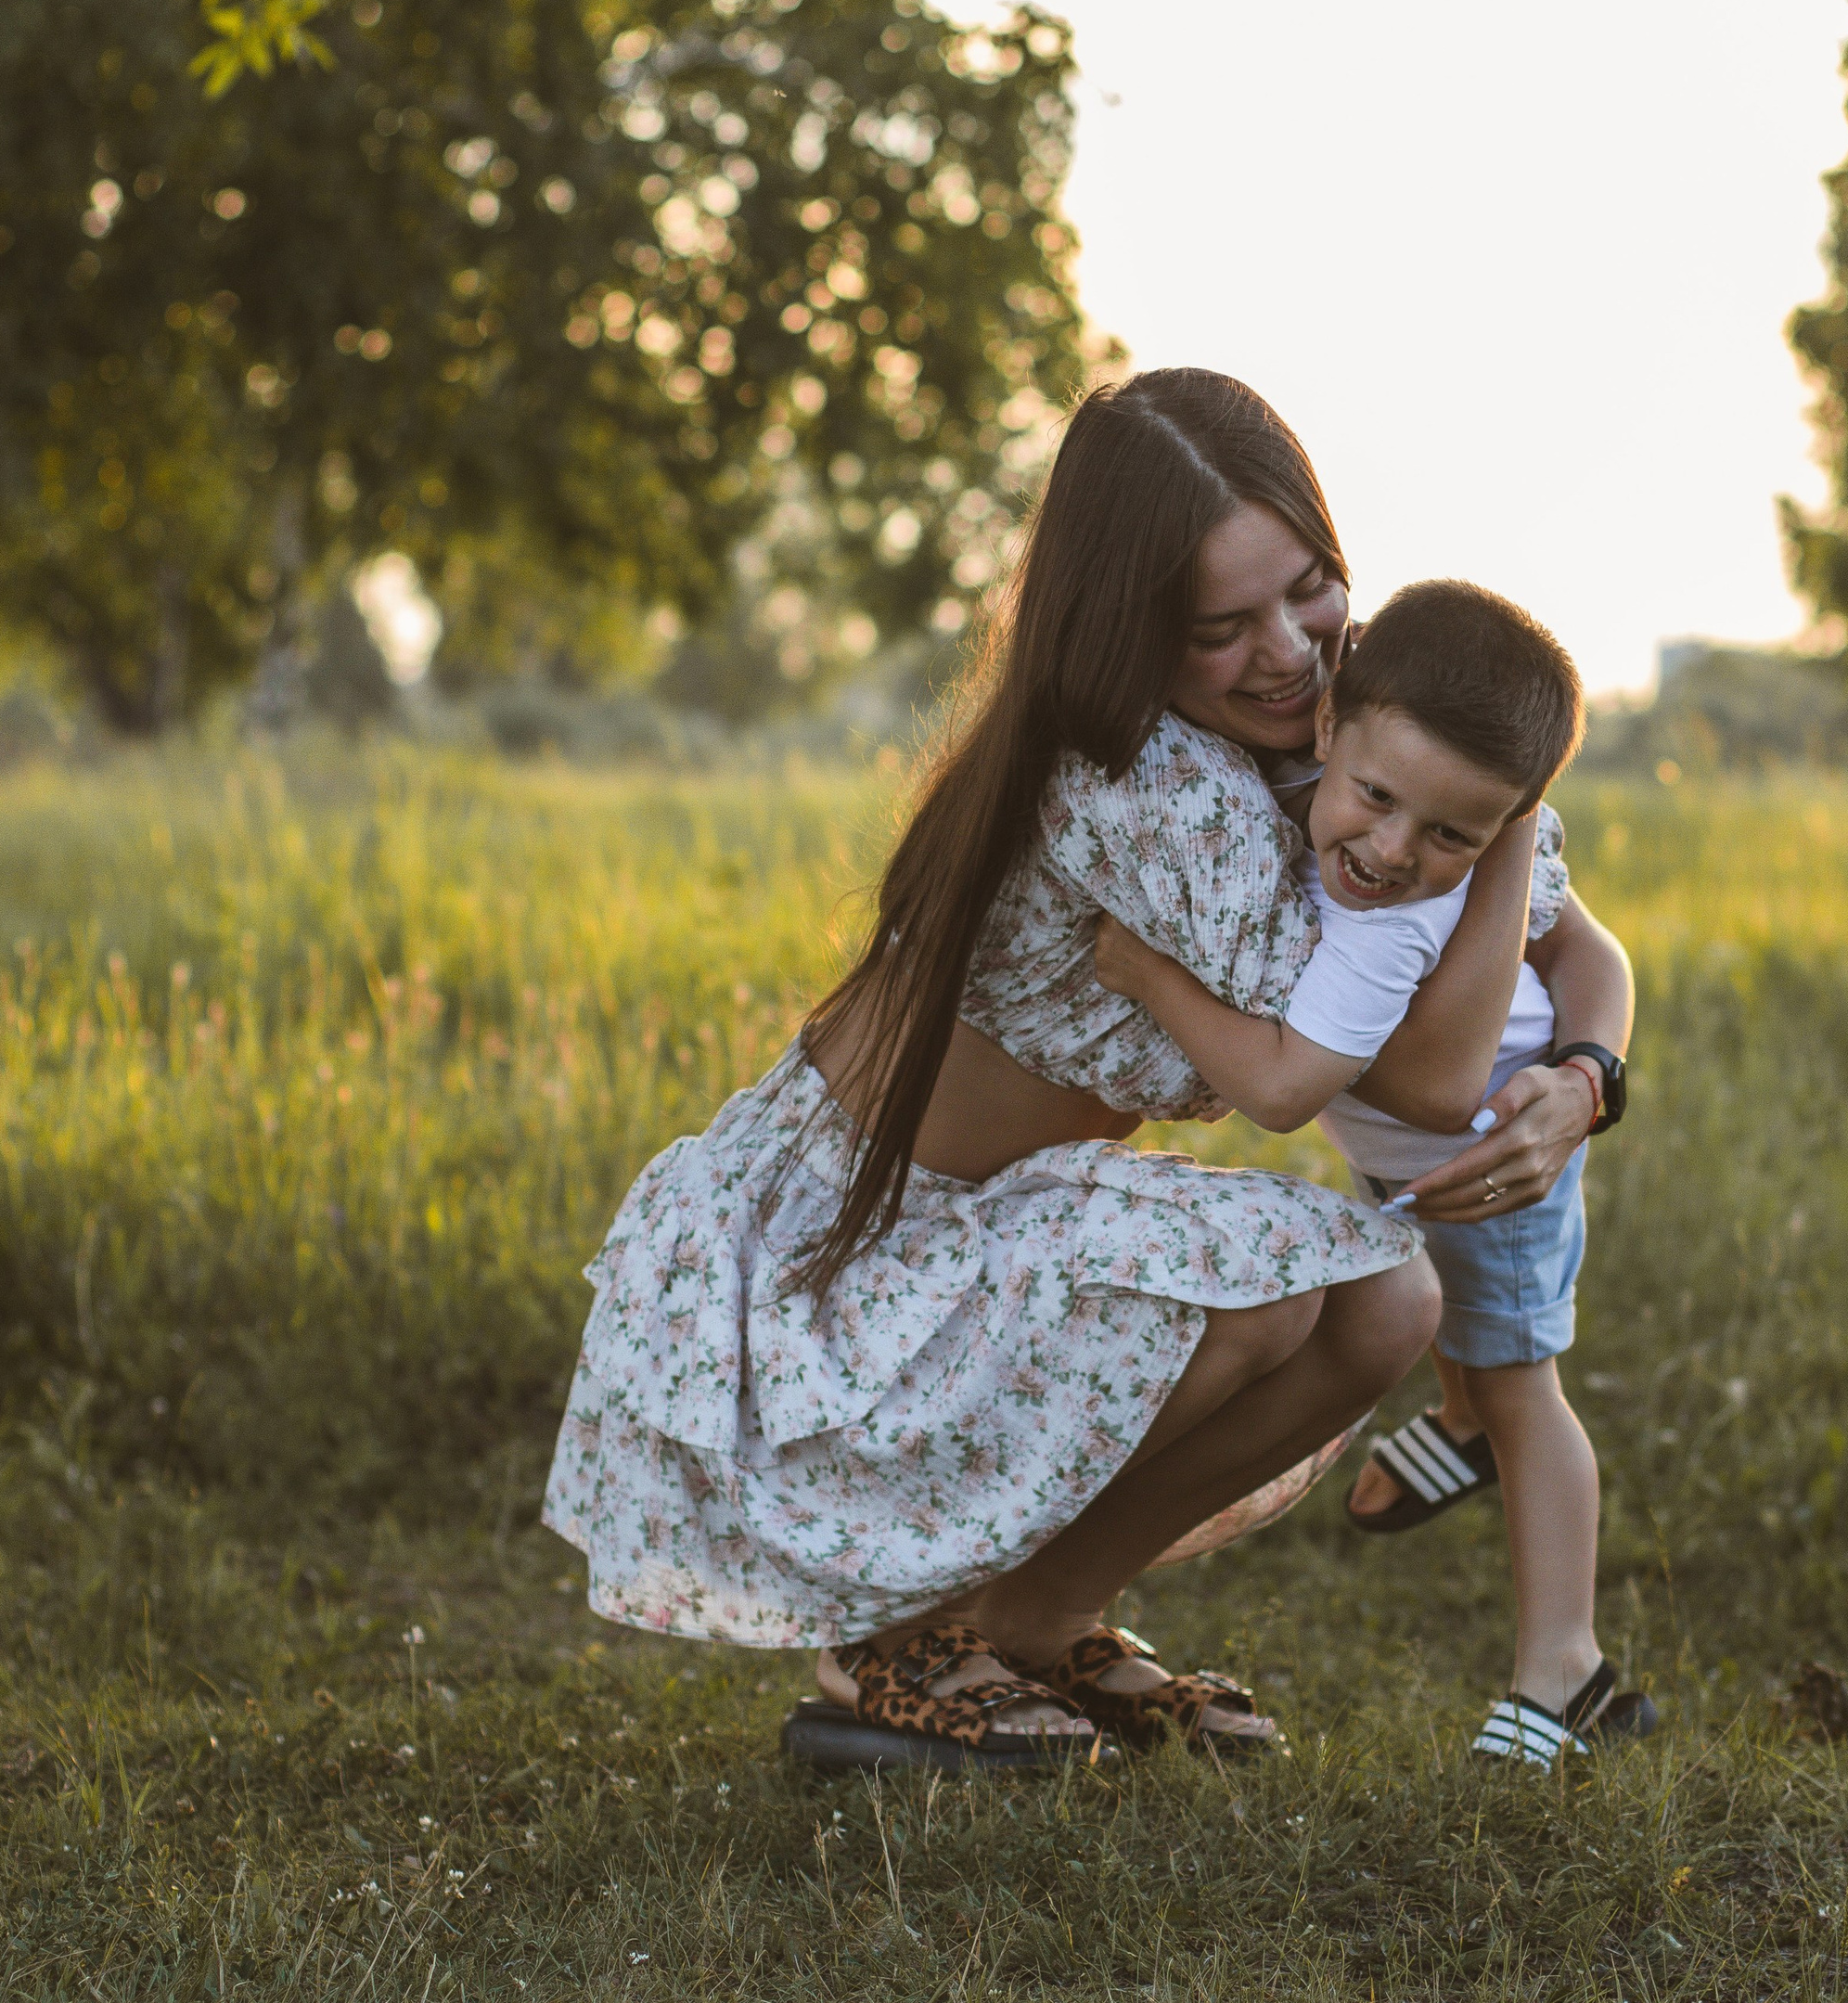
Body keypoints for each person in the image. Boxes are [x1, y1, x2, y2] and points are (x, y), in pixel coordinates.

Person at [543, 369, 1576, 1767]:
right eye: (1222, 627)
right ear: (1130, 632)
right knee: (1338, 1294)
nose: (1290, 652)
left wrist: (1586, 1073)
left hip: (1010, 1223)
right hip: (861, 1250)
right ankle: (894, 1639)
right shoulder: (1139, 782)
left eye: (1310, 588)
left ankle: (1038, 1618)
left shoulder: (1349, 740)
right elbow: (1427, 1077)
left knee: (1374, 1305)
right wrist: (1509, 804)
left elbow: (1584, 949)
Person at [1093, 578, 1649, 1769]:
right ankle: (1455, 1420)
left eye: (1453, 833)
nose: (1395, 851)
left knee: (1524, 1390)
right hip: (1404, 1168)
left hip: (1492, 1165)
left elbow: (1286, 1089)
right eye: (1377, 800)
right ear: (1329, 724)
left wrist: (1151, 978)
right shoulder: (1337, 803)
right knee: (1467, 1344)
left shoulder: (1387, 915)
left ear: (1503, 828)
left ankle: (1568, 1668)